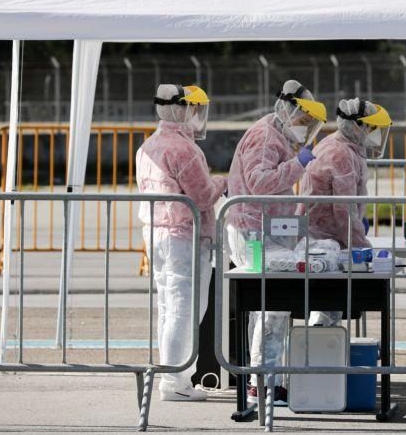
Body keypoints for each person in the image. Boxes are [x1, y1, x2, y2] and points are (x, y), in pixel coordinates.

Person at [226, 79, 326, 401]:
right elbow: (259, 183)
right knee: (272, 306)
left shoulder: (276, 133)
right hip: (253, 233)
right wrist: (298, 165)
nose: (304, 128)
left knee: (269, 306)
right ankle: (260, 384)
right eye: (302, 121)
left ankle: (265, 379)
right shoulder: (265, 136)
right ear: (288, 110)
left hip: (265, 232)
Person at [136, 84, 227, 402]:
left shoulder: (149, 145)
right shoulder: (183, 149)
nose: (198, 116)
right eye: (195, 109)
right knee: (184, 310)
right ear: (182, 109)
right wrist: (222, 181)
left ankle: (171, 375)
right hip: (184, 238)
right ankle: (175, 381)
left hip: (157, 236)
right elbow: (202, 196)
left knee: (169, 308)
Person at [299, 98, 393, 326]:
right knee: (327, 309)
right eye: (372, 128)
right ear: (356, 126)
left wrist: (359, 222)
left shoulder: (342, 146)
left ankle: (326, 355)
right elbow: (344, 212)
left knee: (329, 310)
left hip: (328, 238)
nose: (376, 134)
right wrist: (363, 247)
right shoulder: (340, 154)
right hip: (325, 242)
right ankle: (320, 355)